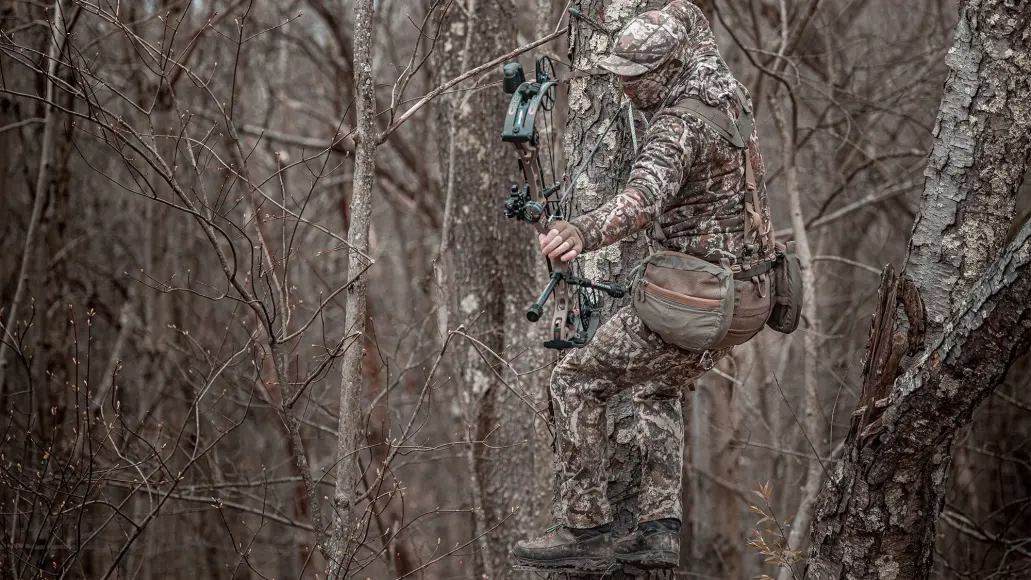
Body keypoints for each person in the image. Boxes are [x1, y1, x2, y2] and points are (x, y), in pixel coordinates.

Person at [511, 0, 775, 572]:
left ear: (666, 68)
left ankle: (586, 532)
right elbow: (690, 17)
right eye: (620, 78)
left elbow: (640, 200)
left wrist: (579, 230)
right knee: (656, 383)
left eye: (636, 78)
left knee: (575, 380)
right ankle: (658, 530)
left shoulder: (676, 128)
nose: (626, 90)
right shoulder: (720, 83)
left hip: (699, 301)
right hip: (750, 299)